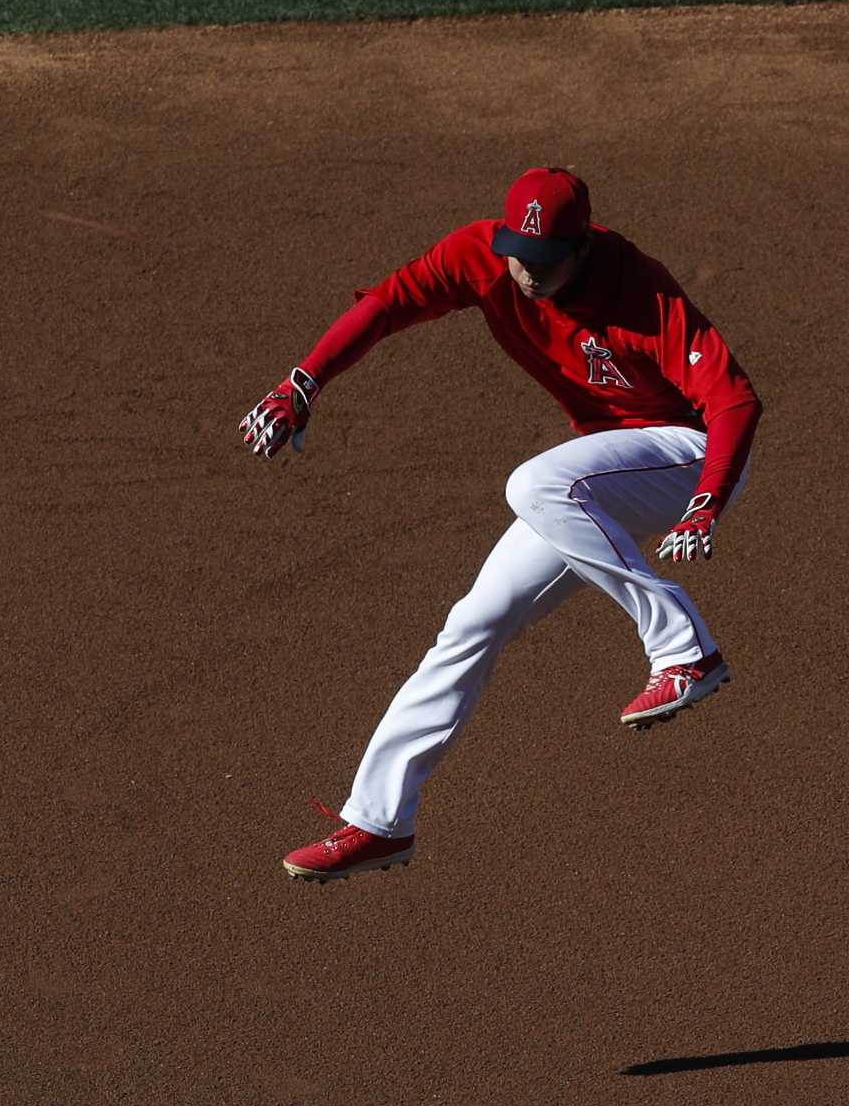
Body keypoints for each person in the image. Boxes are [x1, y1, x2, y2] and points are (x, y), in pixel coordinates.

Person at [240, 167, 762, 882]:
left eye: (544, 262)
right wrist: (303, 381)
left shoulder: (641, 288)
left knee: (536, 481)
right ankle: (379, 822)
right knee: (473, 622)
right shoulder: (482, 257)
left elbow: (733, 401)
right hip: (596, 475)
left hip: (689, 454)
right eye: (518, 252)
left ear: (582, 247)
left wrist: (707, 500)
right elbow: (389, 304)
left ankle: (684, 649)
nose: (525, 272)